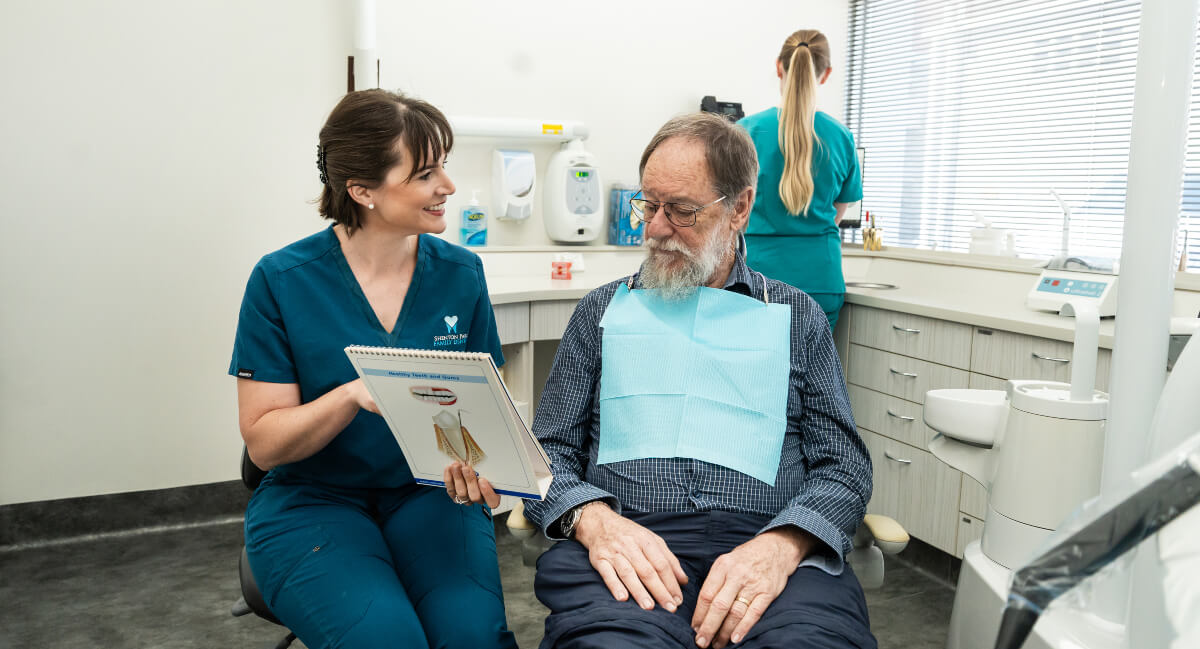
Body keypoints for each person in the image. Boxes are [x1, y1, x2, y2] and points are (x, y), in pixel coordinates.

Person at [522, 112, 875, 649]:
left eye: (682, 210)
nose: (656, 228)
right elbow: (543, 455)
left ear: (740, 208)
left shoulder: (796, 316)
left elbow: (843, 467)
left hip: (767, 541)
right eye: (649, 205)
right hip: (629, 541)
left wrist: (784, 543)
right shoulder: (600, 312)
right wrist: (592, 521)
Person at [228, 89, 518, 649]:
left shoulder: (461, 273)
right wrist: (352, 396)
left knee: (472, 639)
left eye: (445, 168)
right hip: (311, 501)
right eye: (426, 173)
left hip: (431, 496)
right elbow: (264, 445)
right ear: (362, 191)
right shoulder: (282, 280)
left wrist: (487, 468)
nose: (448, 188)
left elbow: (485, 414)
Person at [738, 29, 862, 332]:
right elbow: (838, 210)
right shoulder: (840, 136)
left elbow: (730, 210)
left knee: (756, 375)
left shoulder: (745, 132)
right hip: (822, 278)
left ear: (779, 66)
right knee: (813, 376)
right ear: (826, 73)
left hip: (758, 277)